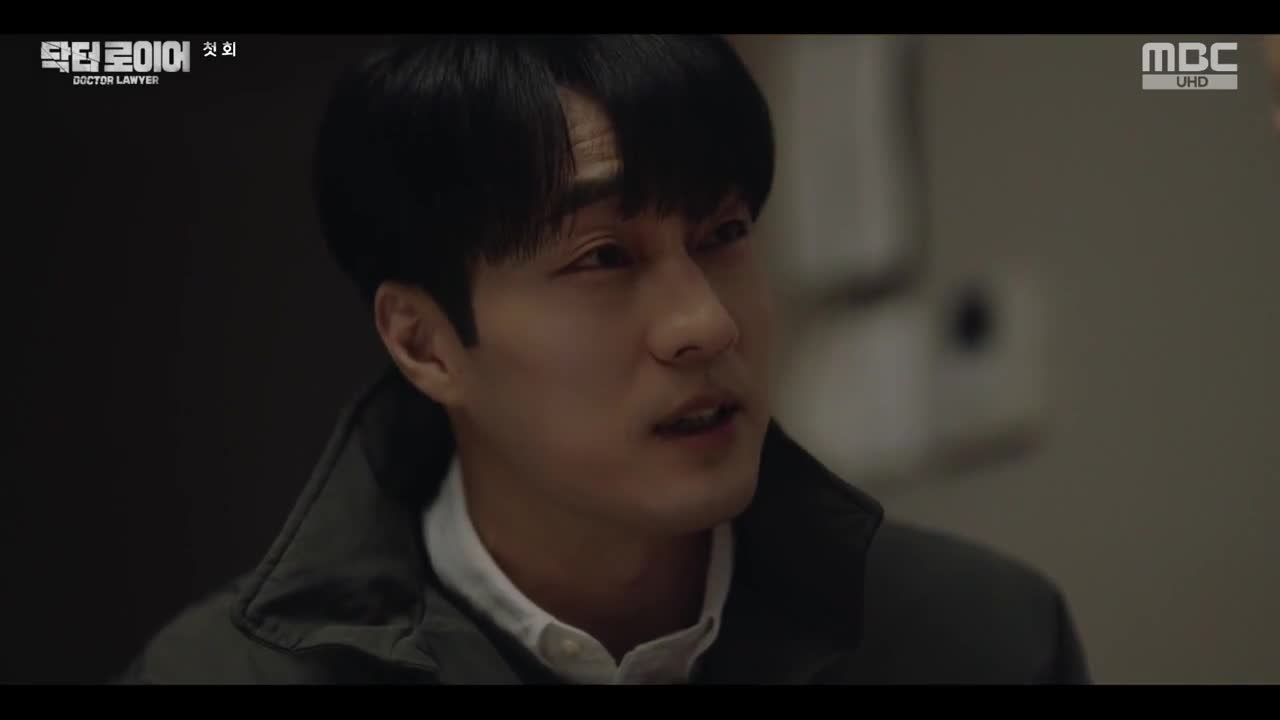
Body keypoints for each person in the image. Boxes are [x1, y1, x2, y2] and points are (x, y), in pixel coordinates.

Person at [118, 35, 1089, 684]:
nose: (705, 324)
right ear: (423, 342)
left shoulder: (985, 640)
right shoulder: (222, 676)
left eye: (723, 232)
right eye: (603, 258)